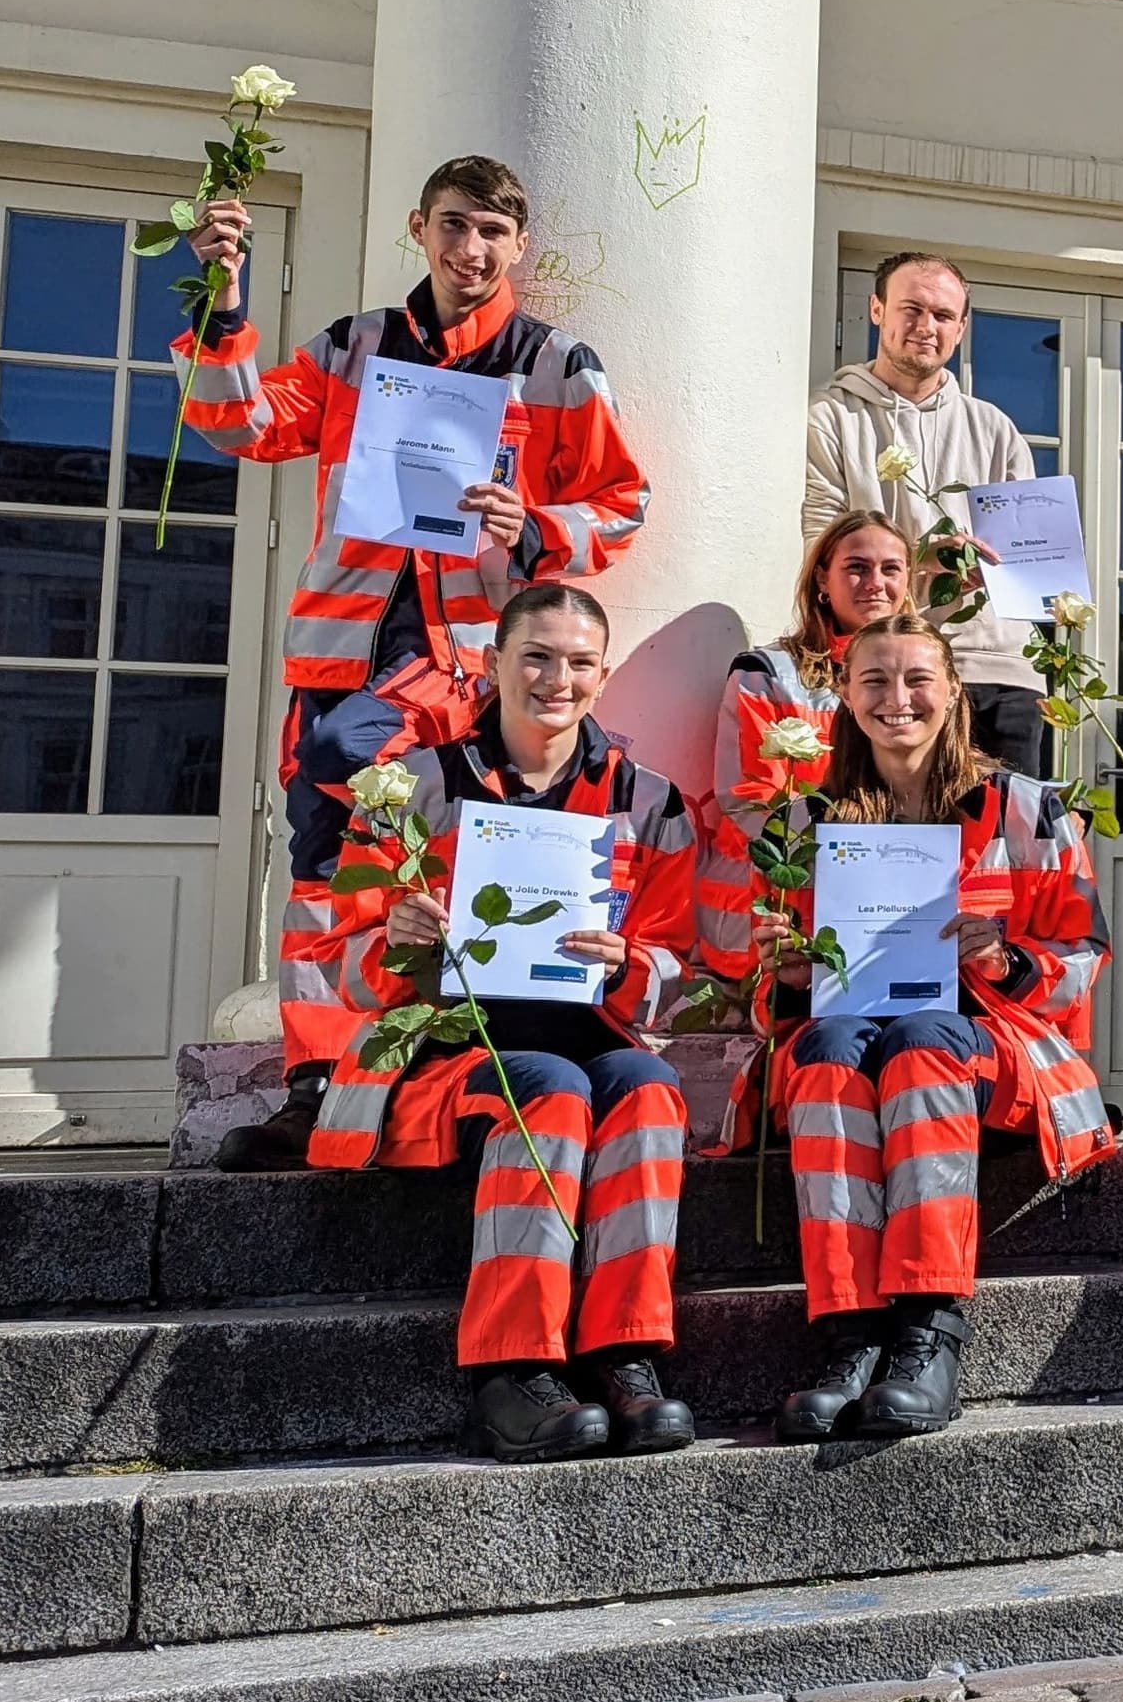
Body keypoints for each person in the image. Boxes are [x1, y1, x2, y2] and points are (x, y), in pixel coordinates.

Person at [181, 159, 651, 1170]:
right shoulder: (352, 345)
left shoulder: (556, 363)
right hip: (338, 656)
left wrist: (537, 525)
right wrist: (224, 303)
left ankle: (452, 1069)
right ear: (418, 227)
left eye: (491, 232)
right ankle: (319, 1085)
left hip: (471, 667)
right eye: (452, 225)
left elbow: (623, 504)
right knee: (326, 871)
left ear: (519, 245)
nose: (470, 250)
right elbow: (241, 424)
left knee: (445, 858)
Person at [304, 584, 703, 1461]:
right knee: (549, 1090)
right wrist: (395, 940)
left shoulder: (650, 801)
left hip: (587, 1032)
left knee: (648, 1087)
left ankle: (624, 1351)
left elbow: (685, 972)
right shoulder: (411, 787)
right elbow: (337, 957)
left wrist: (629, 963)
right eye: (537, 656)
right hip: (436, 1051)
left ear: (603, 676)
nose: (557, 679)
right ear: (493, 664)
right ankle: (511, 1371)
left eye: (580, 663)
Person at [753, 613, 1115, 1441]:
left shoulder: (1026, 807)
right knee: (825, 1049)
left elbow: (1083, 956)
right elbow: (760, 980)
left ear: (954, 692)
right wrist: (784, 971)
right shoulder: (803, 824)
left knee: (921, 1041)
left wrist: (1006, 958)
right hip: (853, 1034)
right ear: (845, 697)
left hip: (990, 1045)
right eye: (874, 680)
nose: (898, 698)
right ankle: (849, 1333)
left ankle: (928, 1326)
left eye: (918, 678)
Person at [802, 252, 1051, 776]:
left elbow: (1033, 562)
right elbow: (818, 545)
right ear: (877, 309)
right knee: (893, 822)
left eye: (942, 315)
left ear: (961, 328)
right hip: (887, 671)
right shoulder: (830, 417)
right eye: (911, 309)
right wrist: (923, 563)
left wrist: (996, 569)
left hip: (998, 666)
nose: (926, 327)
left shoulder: (996, 429)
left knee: (1006, 823)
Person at [701, 511, 910, 981]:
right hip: (768, 922)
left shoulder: (924, 679)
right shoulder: (768, 673)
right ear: (821, 578)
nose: (875, 583)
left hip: (881, 914)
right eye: (857, 567)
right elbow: (751, 799)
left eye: (891, 569)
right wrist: (855, 850)